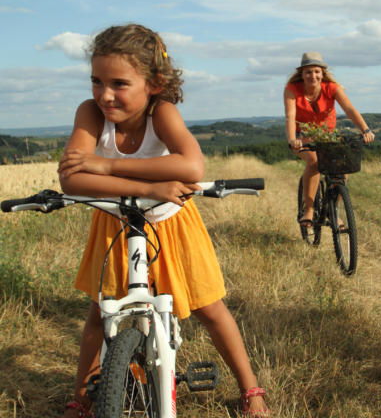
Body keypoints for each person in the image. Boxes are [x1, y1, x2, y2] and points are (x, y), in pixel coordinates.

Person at [58, 24, 269, 417]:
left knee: (209, 308)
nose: (104, 95)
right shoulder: (89, 113)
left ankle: (250, 388)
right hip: (116, 223)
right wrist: (151, 186)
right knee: (100, 312)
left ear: (154, 83)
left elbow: (190, 165)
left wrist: (104, 165)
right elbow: (71, 179)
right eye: (96, 81)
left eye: (119, 84)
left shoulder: (162, 113)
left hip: (172, 225)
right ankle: (81, 398)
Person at [284, 52, 375, 226]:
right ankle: (309, 210)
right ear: (301, 74)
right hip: (300, 136)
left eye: (317, 71)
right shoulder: (292, 89)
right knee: (314, 163)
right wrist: (292, 139)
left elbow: (349, 109)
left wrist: (366, 129)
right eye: (308, 72)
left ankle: (333, 211)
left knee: (342, 171)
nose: (313, 75)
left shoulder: (331, 88)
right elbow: (290, 116)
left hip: (326, 136)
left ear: (322, 73)